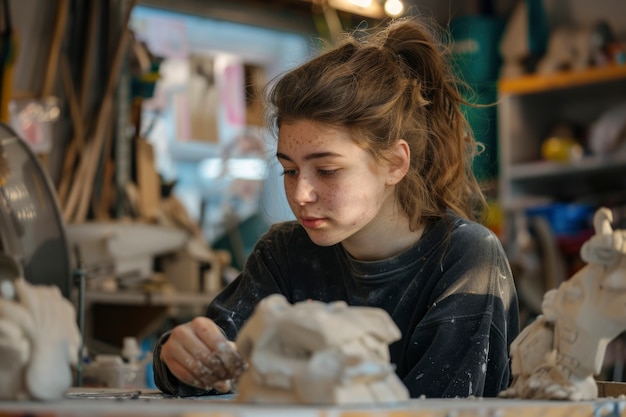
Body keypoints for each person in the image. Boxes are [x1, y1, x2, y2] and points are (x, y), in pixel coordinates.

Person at [153, 16, 520, 399]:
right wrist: (177, 358)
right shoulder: (284, 253)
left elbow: (437, 410)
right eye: (289, 170)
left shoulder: (466, 260)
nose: (300, 194)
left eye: (326, 170)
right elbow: (214, 365)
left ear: (395, 163)